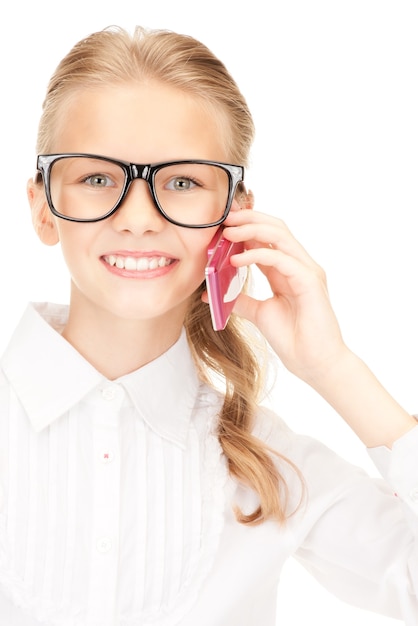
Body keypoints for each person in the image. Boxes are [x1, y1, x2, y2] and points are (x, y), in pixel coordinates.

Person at [0, 24, 417, 626]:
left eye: (183, 181)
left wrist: (335, 369)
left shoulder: (271, 465)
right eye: (97, 178)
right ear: (42, 208)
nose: (139, 218)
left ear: (235, 217)